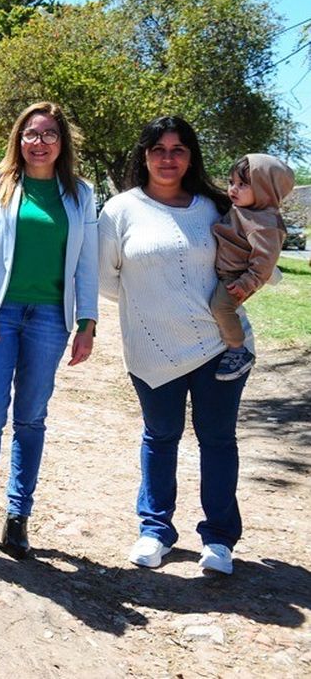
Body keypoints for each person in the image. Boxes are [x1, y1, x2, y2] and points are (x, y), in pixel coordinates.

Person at [100, 116, 255, 576]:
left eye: (178, 149)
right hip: (151, 348)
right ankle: (155, 530)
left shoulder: (214, 207)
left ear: (191, 156)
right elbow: (108, 280)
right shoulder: (119, 210)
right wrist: (157, 305)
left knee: (218, 441)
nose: (168, 159)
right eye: (158, 149)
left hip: (220, 347)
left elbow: (248, 262)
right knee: (160, 437)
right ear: (144, 155)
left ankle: (220, 539)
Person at [0, 102, 98, 558]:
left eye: (50, 134)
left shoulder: (80, 194)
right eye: (32, 134)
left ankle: (18, 516)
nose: (40, 143)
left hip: (51, 319)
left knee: (32, 417)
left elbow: (87, 263)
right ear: (19, 139)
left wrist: (87, 322)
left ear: (63, 143)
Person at [210, 153, 294, 380]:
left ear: (266, 189)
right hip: (227, 270)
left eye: (243, 184)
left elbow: (265, 261)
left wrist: (246, 284)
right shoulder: (244, 209)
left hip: (236, 277)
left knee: (220, 307)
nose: (233, 189)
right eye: (231, 183)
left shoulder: (265, 223)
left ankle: (238, 350)